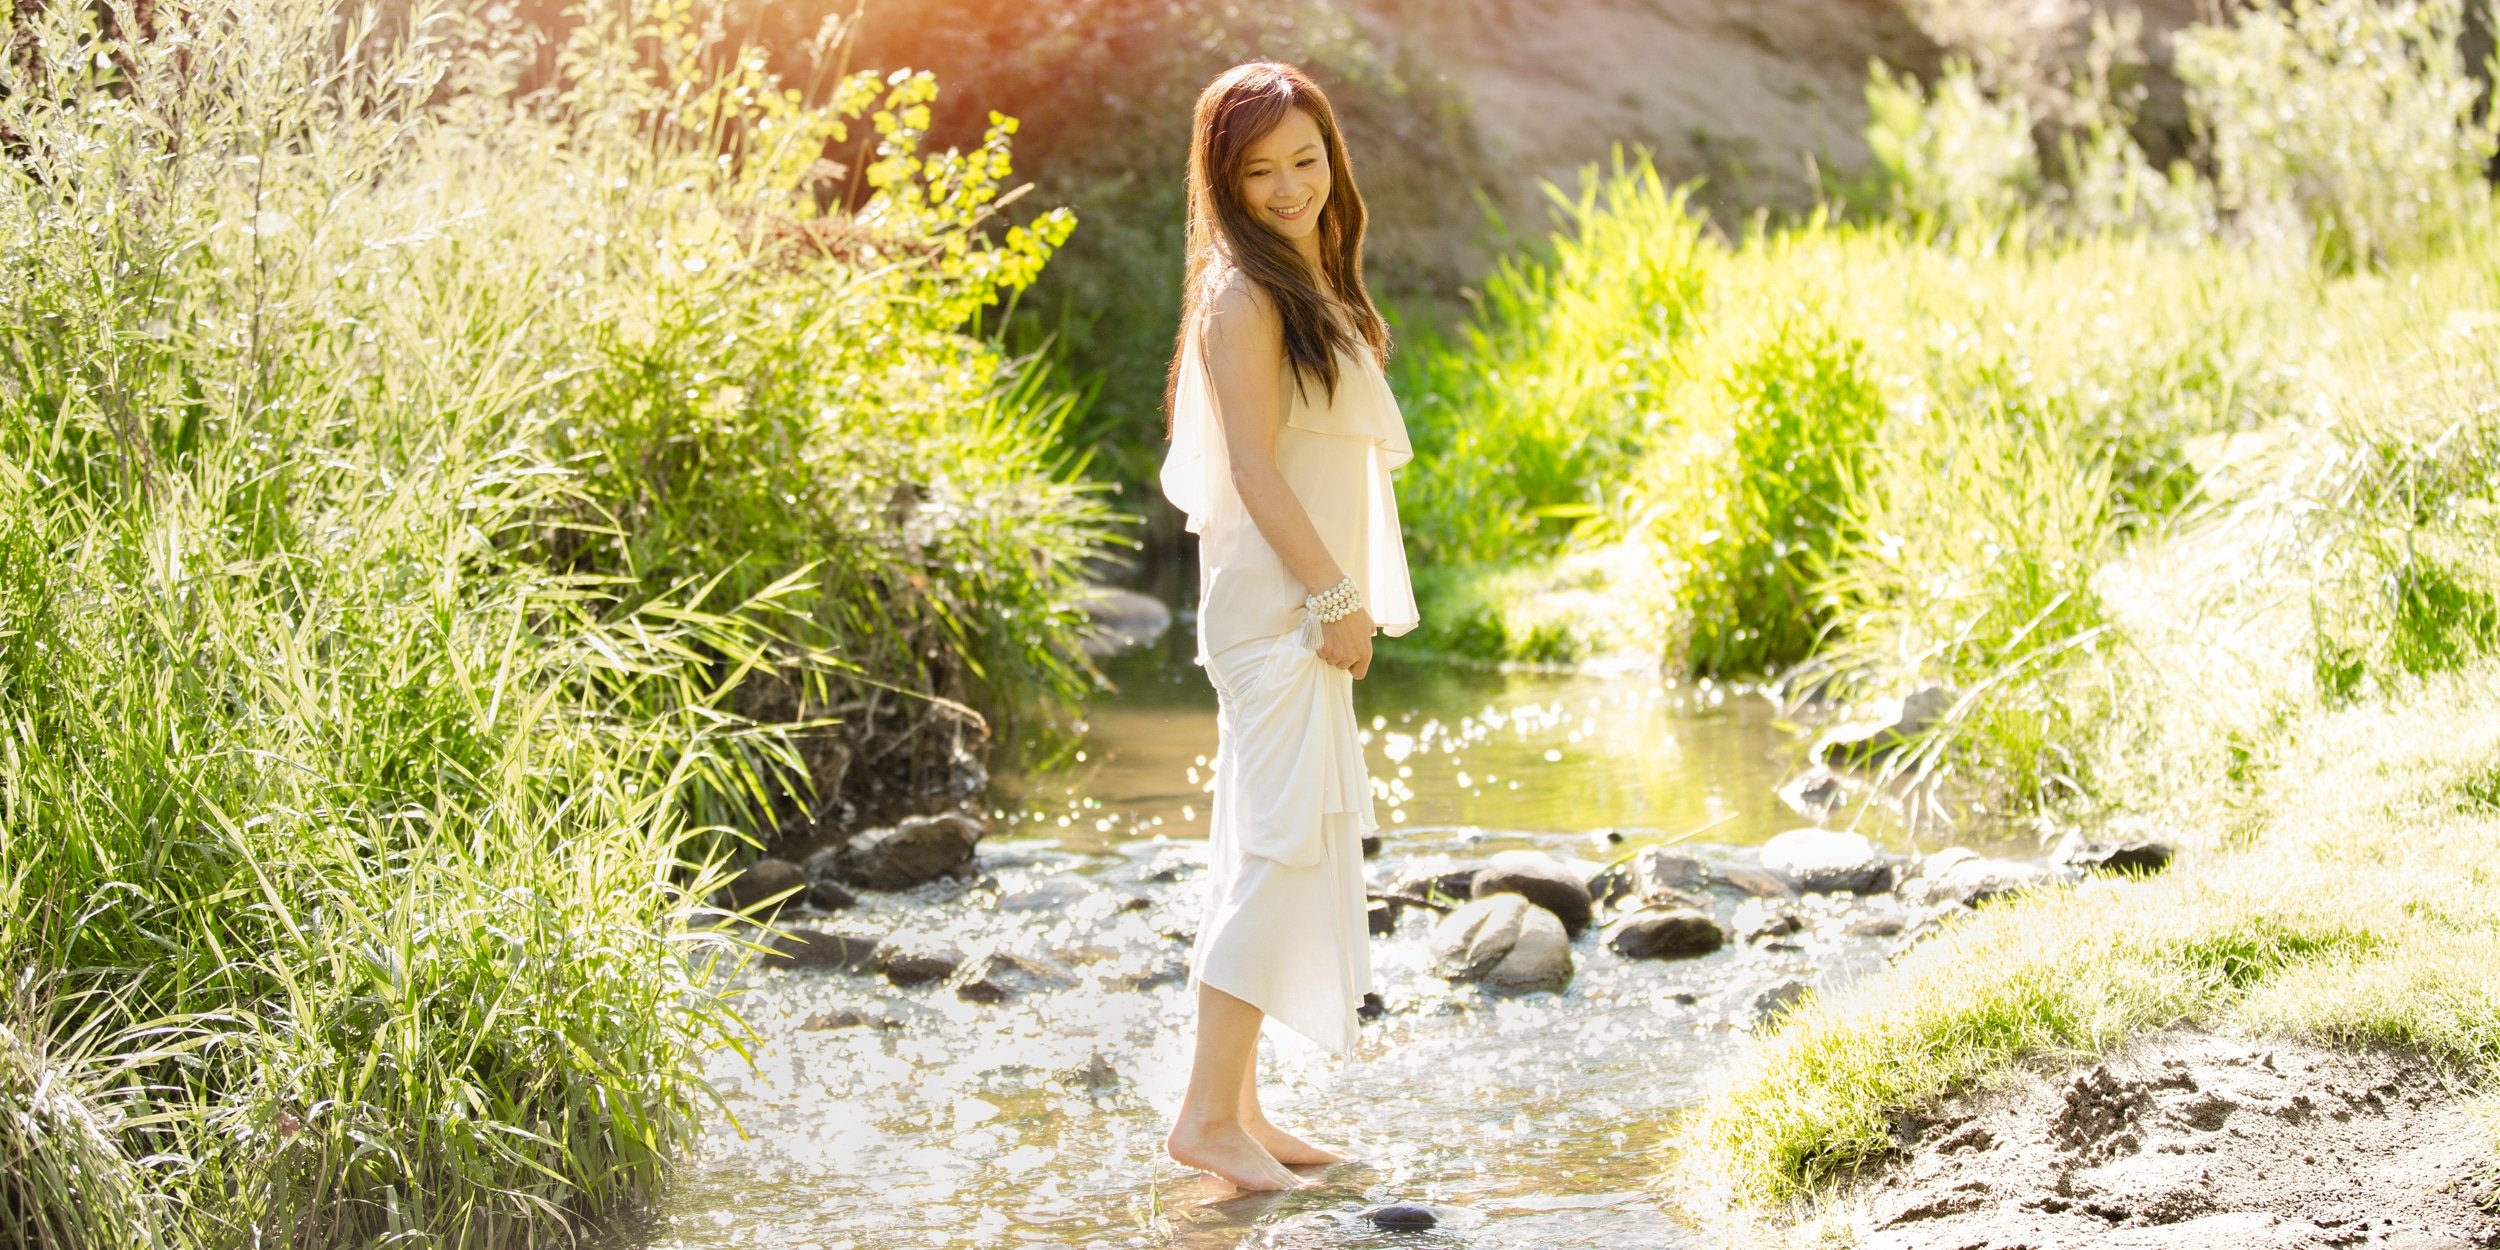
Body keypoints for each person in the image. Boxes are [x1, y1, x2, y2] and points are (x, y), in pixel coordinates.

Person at [1155, 60, 1420, 1192]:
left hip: (1294, 602)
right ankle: (1205, 1116)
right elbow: (1255, 469)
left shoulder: (1304, 276)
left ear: (1332, 157)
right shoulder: (1241, 295)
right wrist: (1331, 598)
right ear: (1223, 179)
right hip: (1275, 608)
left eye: (1305, 160)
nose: (1288, 186)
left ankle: (1239, 1107)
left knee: (1260, 849)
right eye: (1257, 170)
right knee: (1273, 854)